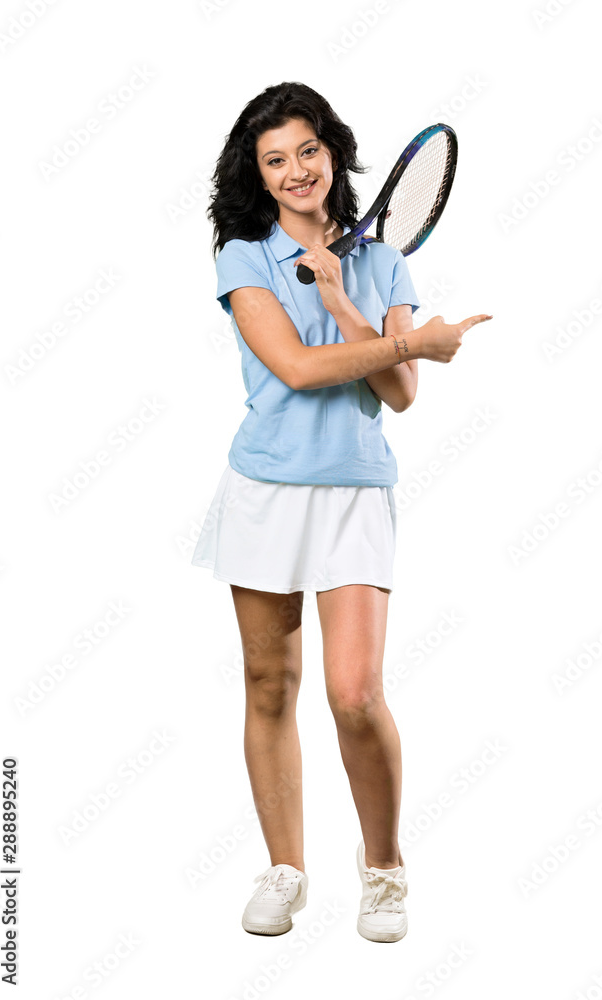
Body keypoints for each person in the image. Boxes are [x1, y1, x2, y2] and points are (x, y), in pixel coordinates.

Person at [191, 81, 492, 943]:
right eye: (274, 160)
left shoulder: (383, 262)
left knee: (355, 694)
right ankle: (285, 869)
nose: (295, 171)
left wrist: (341, 303)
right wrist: (411, 341)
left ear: (333, 153)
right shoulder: (243, 257)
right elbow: (293, 369)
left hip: (355, 492)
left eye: (307, 151)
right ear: (256, 173)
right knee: (269, 685)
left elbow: (399, 393)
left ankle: (384, 870)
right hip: (264, 491)